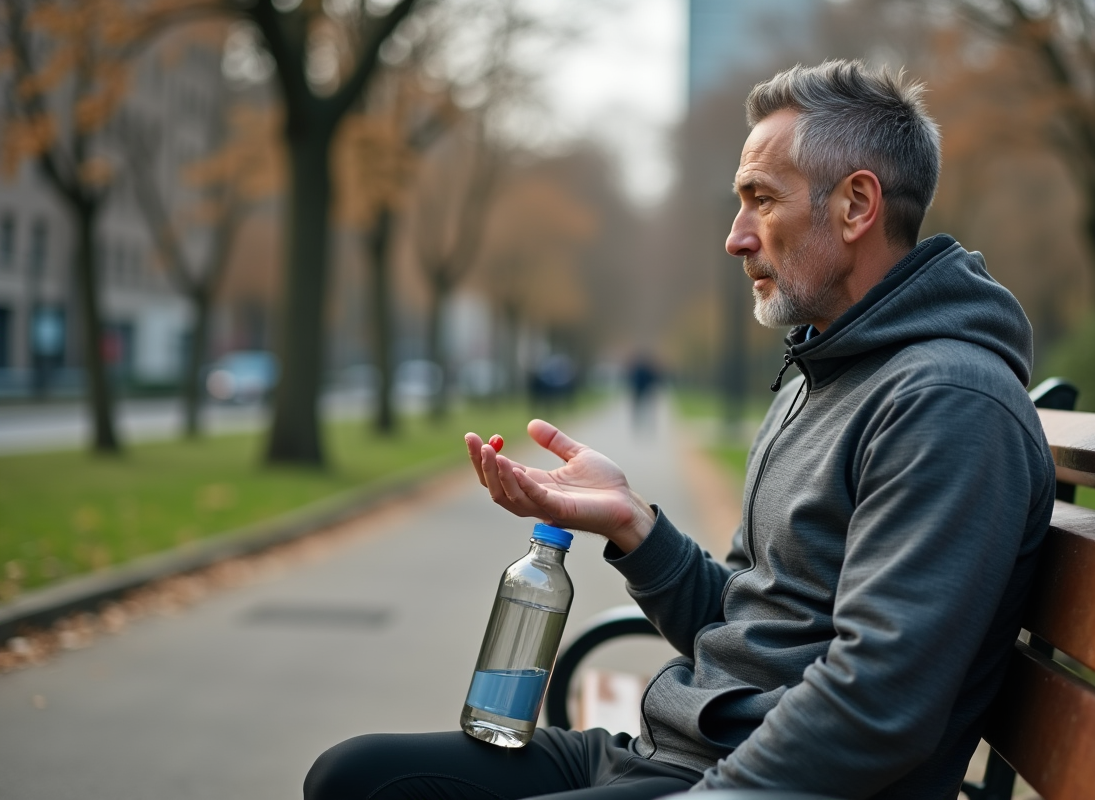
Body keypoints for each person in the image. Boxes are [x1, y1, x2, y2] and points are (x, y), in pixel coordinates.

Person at [304, 59, 1055, 800]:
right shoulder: (823, 373)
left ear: (857, 204)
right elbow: (746, 623)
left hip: (741, 780)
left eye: (761, 199)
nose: (736, 237)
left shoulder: (948, 403)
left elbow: (877, 709)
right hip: (676, 752)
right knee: (355, 777)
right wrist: (633, 523)